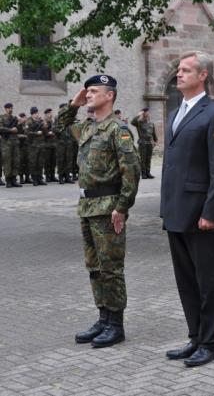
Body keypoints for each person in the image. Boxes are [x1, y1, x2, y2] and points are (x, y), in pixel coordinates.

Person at [161, 51, 214, 368]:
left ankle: (210, 343)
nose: (179, 74)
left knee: (208, 282)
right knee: (186, 281)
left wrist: (211, 212)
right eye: (179, 70)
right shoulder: (175, 112)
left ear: (203, 75)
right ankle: (195, 337)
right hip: (176, 210)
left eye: (186, 70)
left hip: (200, 213)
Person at [57, 74, 141, 347]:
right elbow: (60, 126)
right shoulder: (88, 128)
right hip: (87, 206)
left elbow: (132, 173)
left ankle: (116, 325)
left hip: (108, 208)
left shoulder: (118, 130)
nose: (88, 94)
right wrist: (75, 103)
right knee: (94, 267)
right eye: (87, 91)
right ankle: (103, 318)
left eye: (93, 91)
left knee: (111, 268)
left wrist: (122, 208)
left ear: (110, 95)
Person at [131, 107, 158, 179]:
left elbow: (153, 133)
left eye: (148, 112)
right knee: (143, 159)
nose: (148, 113)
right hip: (142, 143)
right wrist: (138, 115)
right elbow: (132, 122)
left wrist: (155, 140)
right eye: (146, 112)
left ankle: (148, 173)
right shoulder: (139, 122)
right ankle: (143, 174)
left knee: (148, 159)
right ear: (143, 113)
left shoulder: (151, 123)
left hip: (150, 143)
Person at [0, 103, 22, 187]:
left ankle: (14, 179)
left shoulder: (14, 118)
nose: (11, 109)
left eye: (11, 108)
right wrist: (10, 130)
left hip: (15, 142)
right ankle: (8, 180)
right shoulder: (2, 118)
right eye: (9, 108)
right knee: (7, 162)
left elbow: (19, 130)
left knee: (15, 161)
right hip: (6, 143)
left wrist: (19, 124)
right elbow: (0, 128)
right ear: (5, 109)